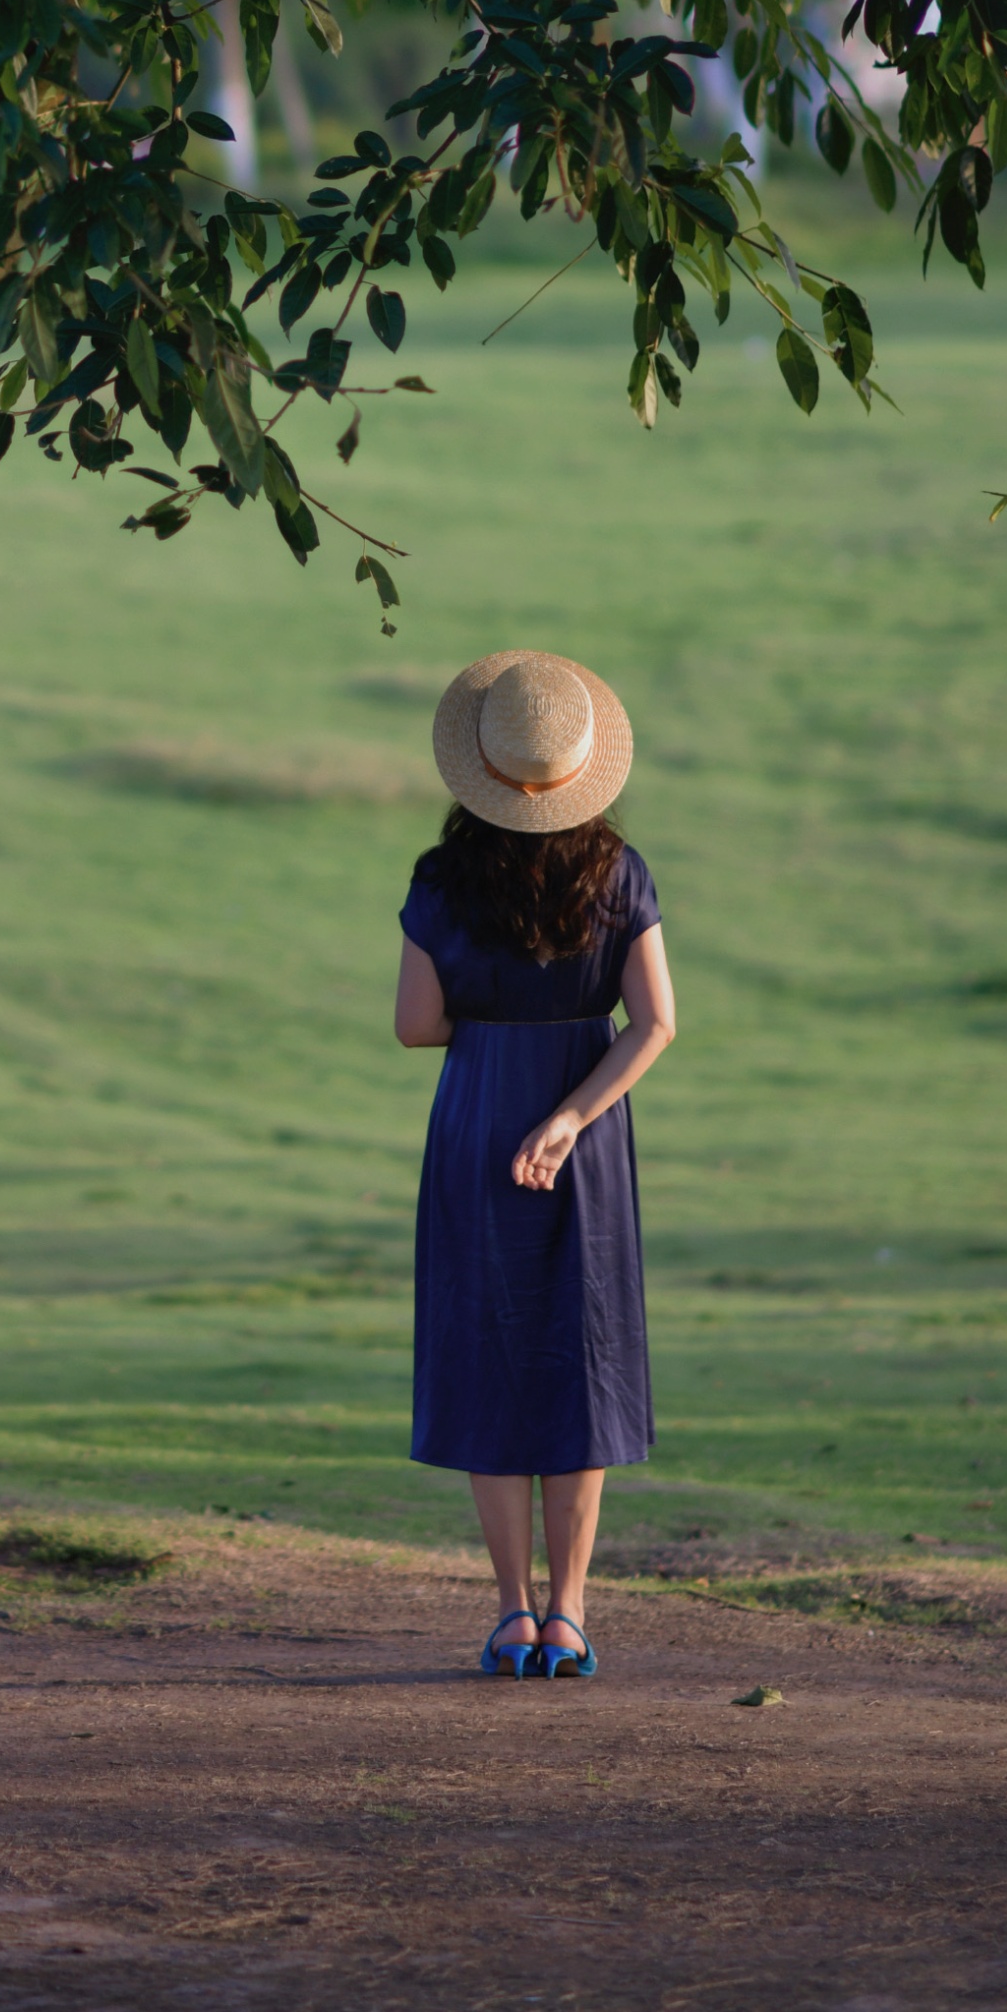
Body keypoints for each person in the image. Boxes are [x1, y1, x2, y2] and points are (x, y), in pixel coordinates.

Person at [396, 647, 677, 1679]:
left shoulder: (439, 882)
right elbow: (655, 1024)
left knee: (488, 1352)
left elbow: (414, 1025)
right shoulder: (621, 872)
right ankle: (570, 1614)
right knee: (582, 1357)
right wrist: (570, 1116)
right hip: (584, 1141)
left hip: (476, 1123)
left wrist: (492, 1024)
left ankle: (510, 1612)